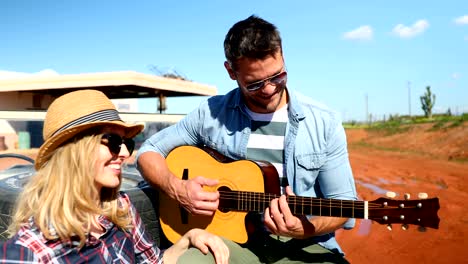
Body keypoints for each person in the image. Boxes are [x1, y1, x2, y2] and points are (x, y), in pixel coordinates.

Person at [137, 15, 357, 263]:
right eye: (255, 84)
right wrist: (177, 189)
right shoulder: (209, 114)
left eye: (277, 77)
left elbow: (343, 203)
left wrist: (302, 228)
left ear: (283, 56)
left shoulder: (324, 122)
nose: (269, 89)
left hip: (304, 245)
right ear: (231, 71)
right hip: (228, 243)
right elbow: (149, 151)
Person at [0, 89, 231, 263]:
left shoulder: (120, 208)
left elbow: (153, 261)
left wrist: (188, 239)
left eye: (127, 143)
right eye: (112, 142)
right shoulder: (28, 252)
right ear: (74, 150)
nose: (124, 154)